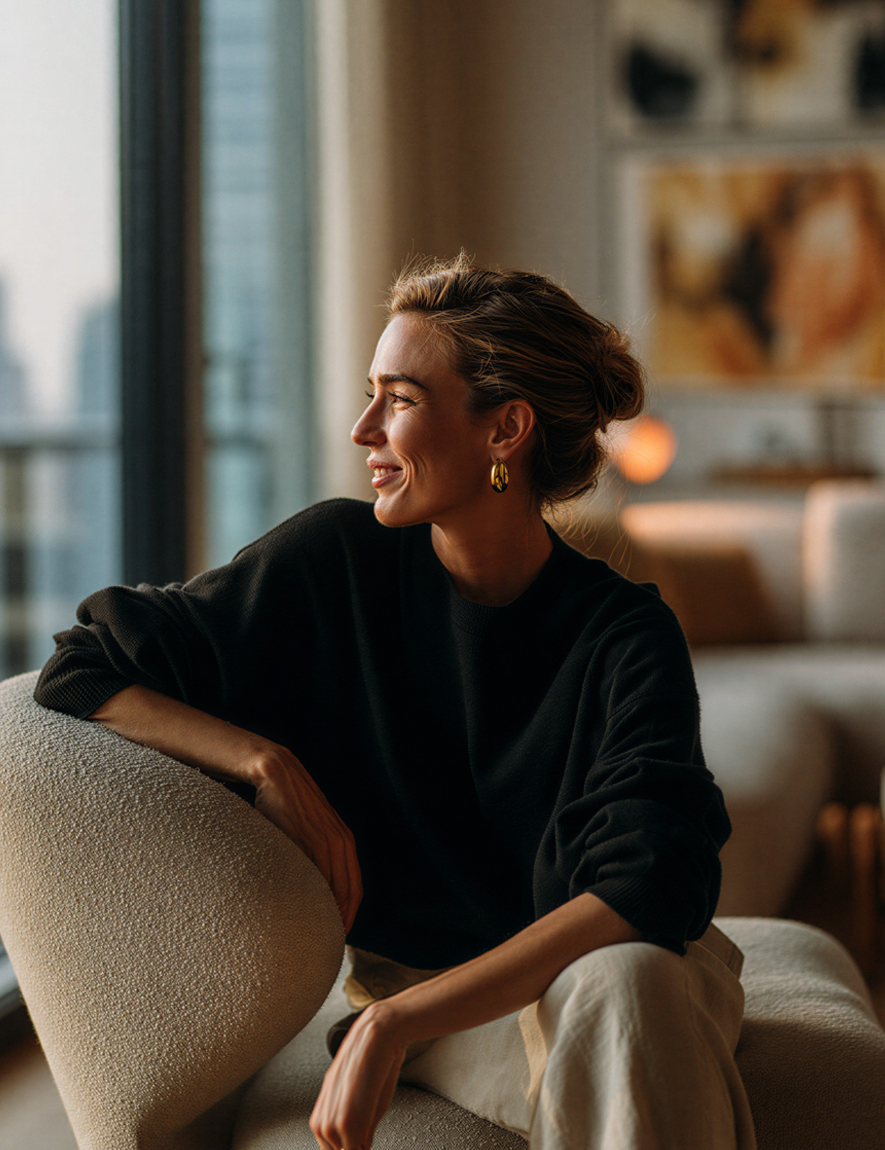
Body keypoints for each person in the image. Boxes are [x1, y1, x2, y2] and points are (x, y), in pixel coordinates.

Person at [34, 256, 756, 1150]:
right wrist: (265, 760)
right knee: (625, 1011)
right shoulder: (330, 564)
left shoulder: (623, 634)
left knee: (627, 985)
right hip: (455, 1004)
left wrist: (393, 1022)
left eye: (400, 399)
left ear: (505, 431)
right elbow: (80, 669)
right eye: (369, 394)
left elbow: (646, 886)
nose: (360, 427)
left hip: (626, 973)